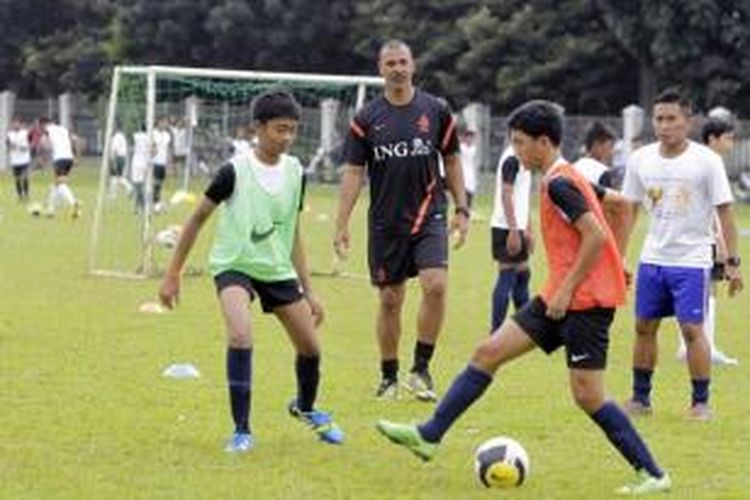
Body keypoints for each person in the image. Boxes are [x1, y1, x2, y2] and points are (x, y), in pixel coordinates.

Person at [375, 100, 671, 495]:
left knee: (588, 395)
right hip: (558, 297)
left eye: (519, 142)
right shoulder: (564, 175)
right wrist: (614, 264)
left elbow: (596, 233)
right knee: (487, 352)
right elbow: (618, 206)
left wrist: (581, 281)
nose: (515, 151)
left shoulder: (561, 183)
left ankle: (653, 474)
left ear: (543, 142)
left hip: (583, 305)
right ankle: (429, 435)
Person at [158, 90, 344, 453]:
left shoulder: (295, 172)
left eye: (292, 130)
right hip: (234, 265)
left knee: (310, 347)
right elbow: (197, 220)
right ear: (258, 128)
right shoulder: (234, 171)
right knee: (240, 335)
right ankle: (241, 430)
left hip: (276, 268)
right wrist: (172, 274)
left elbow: (292, 233)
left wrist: (309, 289)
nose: (287, 138)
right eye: (279, 130)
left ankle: (305, 407)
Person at [334, 39, 470, 401]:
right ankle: (389, 376)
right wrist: (341, 223)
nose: (397, 67)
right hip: (385, 223)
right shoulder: (366, 119)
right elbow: (352, 172)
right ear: (381, 70)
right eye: (390, 62)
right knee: (390, 300)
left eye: (403, 61)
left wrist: (462, 208)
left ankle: (422, 370)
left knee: (436, 285)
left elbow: (453, 160)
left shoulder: (436, 110)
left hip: (430, 214)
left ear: (413, 65)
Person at [621, 89, 744, 421]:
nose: (664, 125)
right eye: (659, 118)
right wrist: (618, 256)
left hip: (691, 261)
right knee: (644, 326)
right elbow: (628, 210)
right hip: (653, 259)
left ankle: (700, 402)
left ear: (688, 122)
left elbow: (726, 213)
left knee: (693, 330)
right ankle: (640, 399)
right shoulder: (640, 159)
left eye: (672, 118)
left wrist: (732, 263)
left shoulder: (707, 161)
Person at [675, 118, 739, 366]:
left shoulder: (699, 161)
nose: (731, 143)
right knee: (705, 292)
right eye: (728, 138)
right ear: (713, 139)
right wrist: (720, 242)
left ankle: (696, 345)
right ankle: (702, 347)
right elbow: (713, 208)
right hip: (702, 237)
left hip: (698, 236)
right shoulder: (707, 163)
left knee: (706, 292)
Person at [489, 145, 533, 331]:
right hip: (507, 226)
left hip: (516, 225)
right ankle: (497, 330)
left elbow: (522, 195)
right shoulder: (512, 159)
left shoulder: (523, 156)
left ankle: (525, 327)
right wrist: (514, 230)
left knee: (522, 273)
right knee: (507, 274)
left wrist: (528, 227)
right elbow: (506, 195)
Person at [40, 117, 80, 218]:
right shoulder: (63, 129)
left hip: (59, 158)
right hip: (69, 158)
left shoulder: (47, 130)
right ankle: (51, 210)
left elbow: (44, 145)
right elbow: (76, 140)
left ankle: (73, 202)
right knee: (56, 184)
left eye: (40, 126)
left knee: (60, 184)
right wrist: (77, 157)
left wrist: (43, 160)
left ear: (43, 124)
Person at [574, 121, 617, 188]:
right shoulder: (602, 172)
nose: (611, 152)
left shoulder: (573, 168)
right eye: (609, 147)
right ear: (597, 145)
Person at [6, 116, 31, 202]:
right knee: (17, 179)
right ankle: (20, 195)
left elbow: (29, 144)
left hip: (24, 159)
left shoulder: (25, 133)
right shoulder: (10, 134)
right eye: (14, 123)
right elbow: (8, 146)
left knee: (24, 177)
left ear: (21, 124)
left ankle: (26, 194)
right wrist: (11, 147)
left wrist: (23, 147)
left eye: (17, 123)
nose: (16, 125)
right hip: (15, 160)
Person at [152, 117, 172, 211]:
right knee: (155, 183)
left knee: (160, 184)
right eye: (163, 122)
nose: (164, 125)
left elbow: (167, 150)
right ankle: (155, 204)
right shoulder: (153, 133)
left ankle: (158, 203)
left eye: (166, 123)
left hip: (163, 162)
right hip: (155, 162)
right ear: (158, 122)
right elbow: (152, 147)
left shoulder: (167, 135)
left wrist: (168, 164)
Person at [130, 126, 150, 213]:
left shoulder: (136, 136)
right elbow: (154, 149)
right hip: (144, 163)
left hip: (136, 162)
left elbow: (132, 143)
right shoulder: (149, 137)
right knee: (140, 185)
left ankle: (138, 207)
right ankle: (140, 207)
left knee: (137, 185)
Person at [109, 127, 131, 198]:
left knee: (114, 176)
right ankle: (129, 188)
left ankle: (113, 195)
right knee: (118, 176)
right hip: (123, 157)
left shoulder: (116, 137)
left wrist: (113, 159)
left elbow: (115, 149)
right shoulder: (122, 136)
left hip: (118, 157)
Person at [459, 129, 478, 212]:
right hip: (463, 170)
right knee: (464, 190)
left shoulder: (473, 149)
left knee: (471, 190)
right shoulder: (461, 148)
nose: (470, 140)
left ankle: (469, 208)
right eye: (468, 137)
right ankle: (463, 208)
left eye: (472, 138)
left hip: (470, 171)